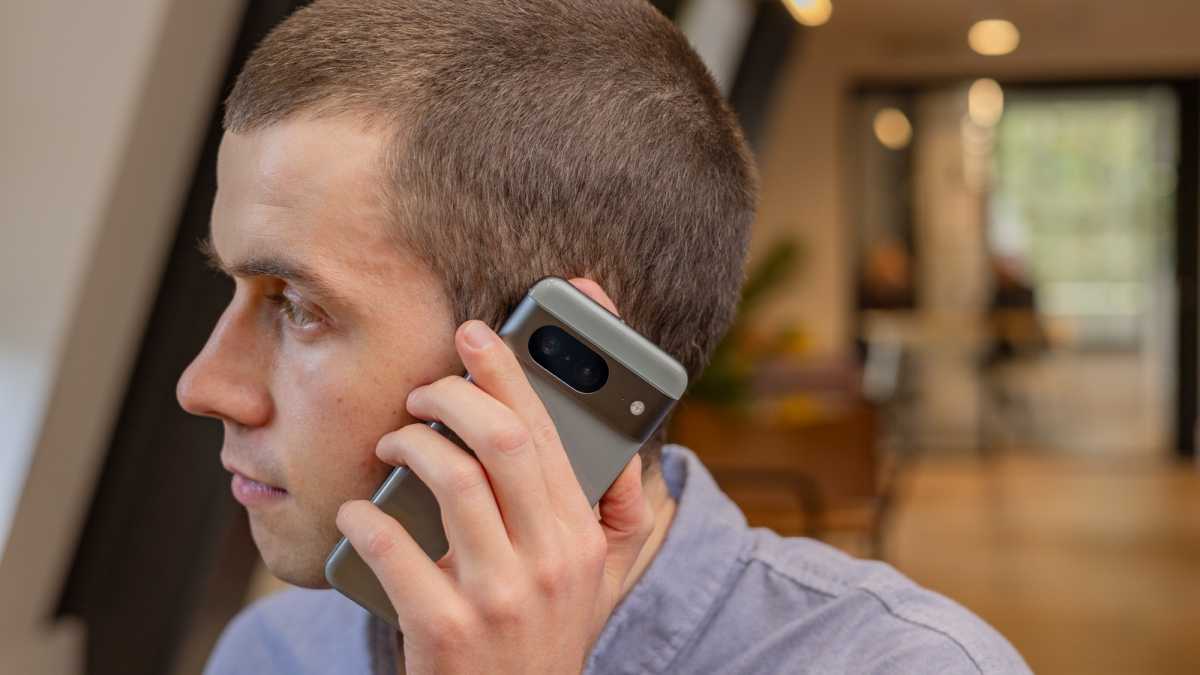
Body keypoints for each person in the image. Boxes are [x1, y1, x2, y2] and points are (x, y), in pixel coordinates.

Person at [176, 1, 1030, 673]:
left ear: (552, 361)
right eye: (237, 290)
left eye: (297, 305)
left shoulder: (910, 665)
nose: (204, 384)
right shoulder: (273, 652)